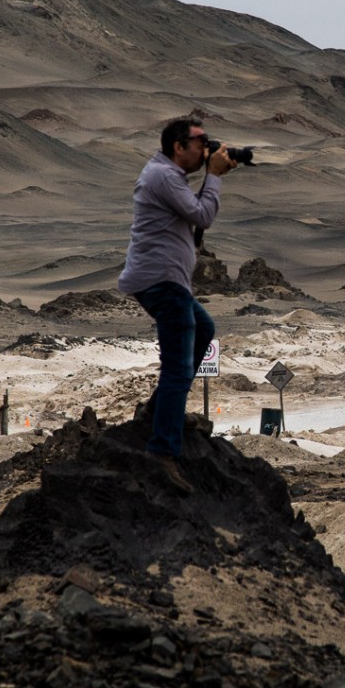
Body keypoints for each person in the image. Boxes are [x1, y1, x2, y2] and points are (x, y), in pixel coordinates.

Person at [118, 116, 237, 473]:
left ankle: (158, 412)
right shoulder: (165, 176)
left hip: (166, 280)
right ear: (178, 147)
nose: (205, 148)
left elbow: (192, 220)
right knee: (178, 368)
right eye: (199, 142)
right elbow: (203, 215)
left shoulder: (170, 177)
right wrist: (213, 176)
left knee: (203, 329)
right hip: (162, 281)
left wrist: (209, 176)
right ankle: (163, 453)